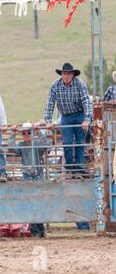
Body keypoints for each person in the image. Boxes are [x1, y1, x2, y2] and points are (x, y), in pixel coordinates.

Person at [44, 62, 92, 230]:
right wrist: (48, 121)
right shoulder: (55, 86)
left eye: (68, 73)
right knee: (66, 143)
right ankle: (72, 167)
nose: (66, 76)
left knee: (79, 143)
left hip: (78, 115)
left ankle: (77, 168)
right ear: (61, 75)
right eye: (64, 73)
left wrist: (87, 119)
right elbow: (50, 102)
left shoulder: (80, 85)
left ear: (73, 75)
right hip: (65, 116)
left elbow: (86, 101)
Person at [8, 121, 51, 237]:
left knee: (38, 203)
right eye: (24, 133)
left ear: (32, 133)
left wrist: (39, 131)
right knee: (31, 203)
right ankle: (36, 231)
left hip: (38, 176)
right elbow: (11, 148)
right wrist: (13, 133)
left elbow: (46, 145)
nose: (26, 135)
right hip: (28, 176)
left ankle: (40, 229)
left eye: (29, 132)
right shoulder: (22, 145)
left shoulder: (37, 144)